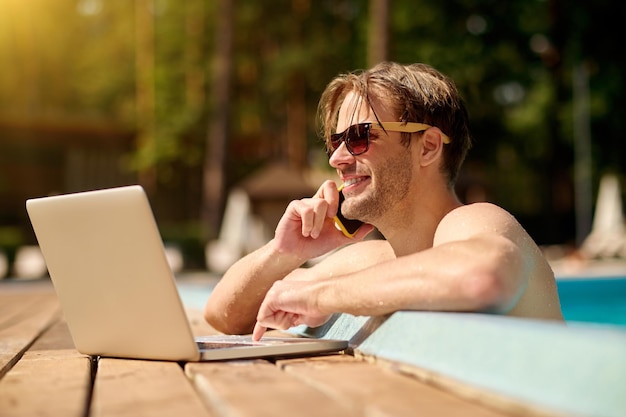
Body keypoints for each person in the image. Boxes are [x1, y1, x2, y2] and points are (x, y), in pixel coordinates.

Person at [203, 61, 563, 340]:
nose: (337, 159)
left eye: (360, 137)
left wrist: (316, 296)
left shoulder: (472, 222)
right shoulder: (373, 260)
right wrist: (285, 253)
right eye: (336, 141)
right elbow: (223, 315)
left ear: (429, 147)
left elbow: (482, 277)